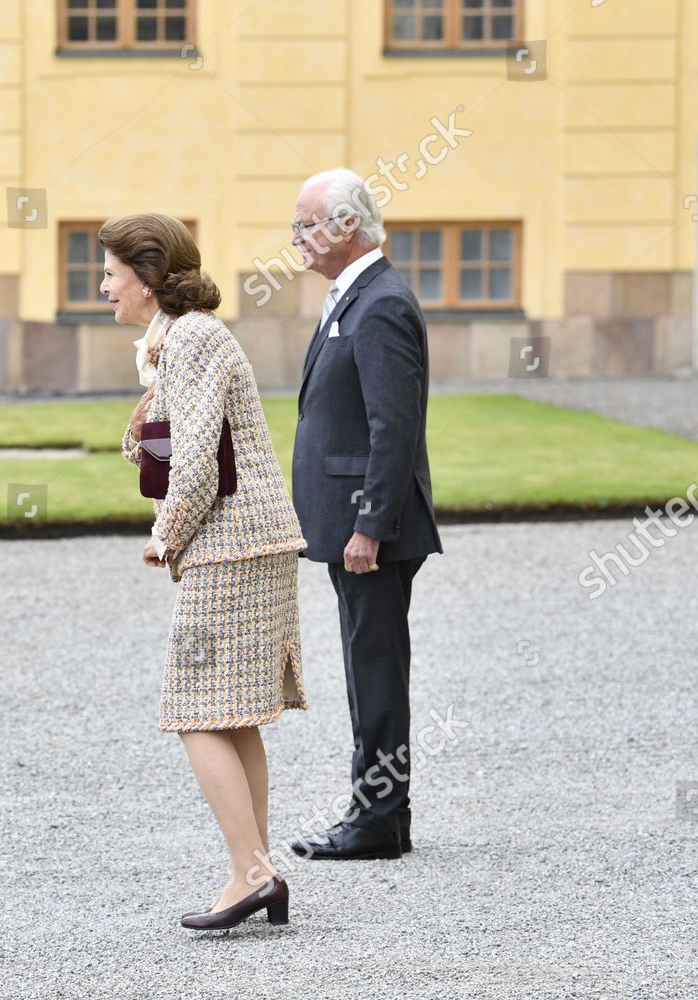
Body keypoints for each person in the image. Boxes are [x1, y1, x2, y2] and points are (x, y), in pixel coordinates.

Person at [109, 214, 307, 931]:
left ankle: (251, 873)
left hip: (230, 547)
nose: (103, 285)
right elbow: (175, 445)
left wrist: (165, 537)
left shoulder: (190, 339)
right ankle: (259, 872)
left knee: (196, 711)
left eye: (111, 273)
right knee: (235, 714)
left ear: (150, 276)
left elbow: (193, 464)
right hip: (254, 543)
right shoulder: (184, 340)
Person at [285, 168, 442, 862]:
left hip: (368, 528)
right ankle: (382, 812)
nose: (297, 239)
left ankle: (378, 816)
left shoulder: (379, 303)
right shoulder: (351, 296)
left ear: (347, 227)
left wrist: (370, 525)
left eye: (306, 225)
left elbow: (394, 426)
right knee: (364, 663)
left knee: (374, 668)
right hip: (352, 524)